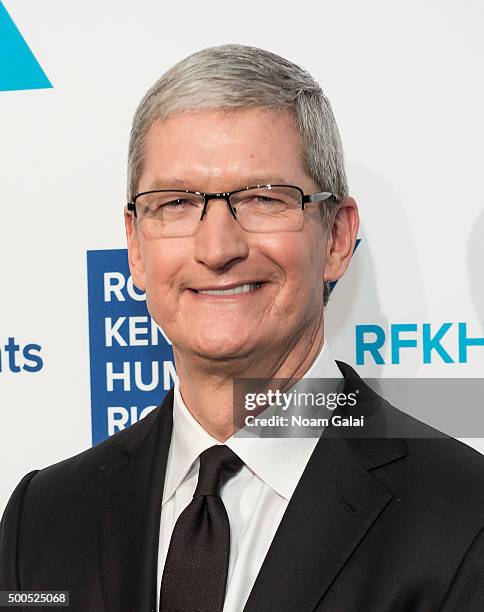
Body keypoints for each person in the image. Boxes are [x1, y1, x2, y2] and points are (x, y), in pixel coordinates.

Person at [1, 44, 484, 612]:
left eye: (262, 198)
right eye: (177, 203)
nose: (218, 248)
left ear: (336, 237)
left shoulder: (464, 516)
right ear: (135, 246)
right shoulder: (44, 515)